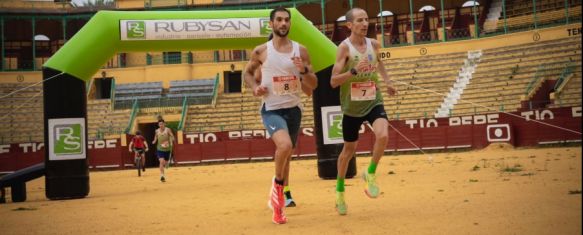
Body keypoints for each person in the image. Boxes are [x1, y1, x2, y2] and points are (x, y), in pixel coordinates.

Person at [243, 7, 317, 224]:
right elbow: (247, 73)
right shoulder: (261, 51)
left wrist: (303, 71)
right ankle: (278, 191)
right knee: (284, 146)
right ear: (272, 24)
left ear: (290, 24)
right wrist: (255, 87)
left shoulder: (301, 51)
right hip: (272, 109)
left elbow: (312, 87)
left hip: (294, 110)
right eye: (279, 20)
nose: (283, 23)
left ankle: (278, 205)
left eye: (287, 20)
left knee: (287, 156)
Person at [330, 7, 397, 216]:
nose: (365, 23)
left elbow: (380, 64)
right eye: (360, 20)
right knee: (348, 152)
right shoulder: (344, 48)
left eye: (367, 19)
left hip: (373, 100)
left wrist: (387, 82)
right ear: (349, 25)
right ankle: (340, 191)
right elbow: (333, 81)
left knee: (383, 135)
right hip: (351, 107)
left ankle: (370, 173)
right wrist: (354, 70)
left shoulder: (374, 44)